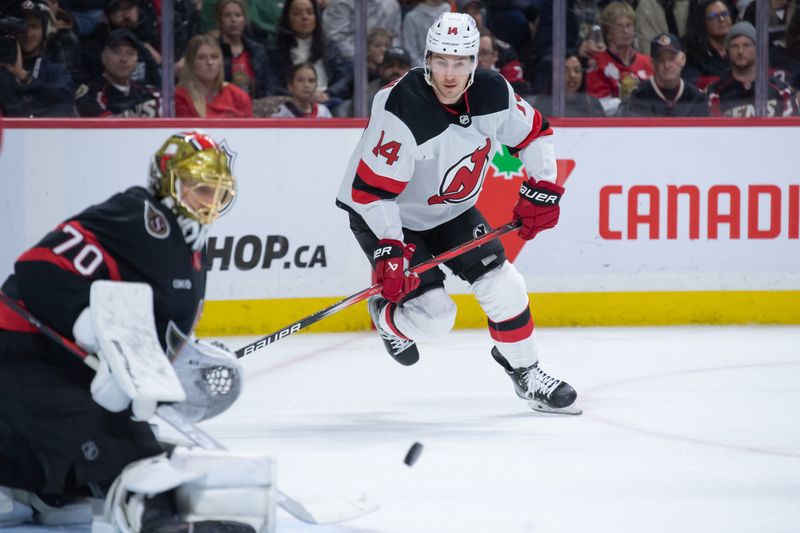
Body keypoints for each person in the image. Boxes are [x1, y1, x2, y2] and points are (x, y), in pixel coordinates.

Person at [0, 131, 261, 532]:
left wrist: (174, 364)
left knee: (110, 444)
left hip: (61, 363)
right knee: (117, 435)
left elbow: (149, 322)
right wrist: (93, 332)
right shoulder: (137, 213)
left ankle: (33, 483)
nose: (208, 201)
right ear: (167, 182)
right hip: (23, 350)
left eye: (216, 191)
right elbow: (37, 267)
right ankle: (158, 520)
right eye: (198, 188)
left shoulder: (189, 242)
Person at [334, 13, 580, 415]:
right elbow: (371, 192)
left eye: (460, 62)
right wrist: (390, 250)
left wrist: (545, 186)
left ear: (474, 62)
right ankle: (387, 319)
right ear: (427, 58)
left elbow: (534, 133)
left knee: (505, 285)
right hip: (388, 215)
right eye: (441, 61)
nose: (449, 74)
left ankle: (526, 371)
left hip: (453, 211)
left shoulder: (492, 92)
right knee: (434, 318)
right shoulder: (401, 108)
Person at [267, 0, 353, 111]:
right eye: (297, 13)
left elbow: (344, 78)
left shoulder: (329, 46)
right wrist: (297, 96)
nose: (305, 17)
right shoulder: (276, 50)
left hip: (327, 101)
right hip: (291, 103)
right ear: (288, 18)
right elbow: (272, 85)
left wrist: (328, 93)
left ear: (316, 16)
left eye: (309, 12)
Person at [0, 0, 75, 117]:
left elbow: (64, 102)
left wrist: (24, 76)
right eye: (21, 28)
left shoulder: (56, 72)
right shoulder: (2, 70)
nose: (27, 33)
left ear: (45, 31)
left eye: (34, 26)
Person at [707, 21, 799, 116]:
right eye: (734, 46)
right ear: (727, 51)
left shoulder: (782, 90)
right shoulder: (715, 92)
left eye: (746, 45)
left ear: (758, 49)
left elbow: (790, 127)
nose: (740, 51)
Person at [585, 1, 654, 115]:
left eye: (629, 25)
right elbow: (598, 107)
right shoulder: (597, 63)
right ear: (608, 33)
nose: (626, 31)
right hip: (611, 128)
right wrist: (627, 100)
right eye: (619, 26)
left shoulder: (648, 62)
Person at [75, 28, 160, 116]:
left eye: (130, 53)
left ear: (136, 60)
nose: (124, 59)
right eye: (116, 52)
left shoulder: (146, 92)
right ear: (103, 57)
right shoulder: (90, 95)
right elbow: (106, 127)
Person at [623, 32, 709, 116]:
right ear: (652, 63)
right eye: (660, 59)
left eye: (672, 58)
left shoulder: (697, 98)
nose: (667, 65)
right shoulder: (639, 96)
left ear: (683, 59)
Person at [175, 34, 253, 118]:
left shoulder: (238, 97)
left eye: (214, 57)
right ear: (191, 63)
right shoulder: (180, 96)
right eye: (202, 58)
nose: (210, 63)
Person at [216, 0, 274, 99]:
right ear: (220, 21)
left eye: (238, 15)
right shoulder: (213, 51)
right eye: (227, 15)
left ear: (245, 20)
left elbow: (268, 87)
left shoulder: (258, 51)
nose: (233, 20)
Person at [321, 0, 402, 62]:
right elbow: (335, 39)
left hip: (383, 62)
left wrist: (389, 56)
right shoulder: (340, 2)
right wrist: (366, 57)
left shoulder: (392, 4)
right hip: (347, 63)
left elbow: (395, 37)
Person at [532, 50, 606, 117]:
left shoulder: (592, 103)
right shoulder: (542, 104)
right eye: (565, 71)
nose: (572, 75)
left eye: (577, 70)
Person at [683, 0, 735, 89]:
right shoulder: (693, 56)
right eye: (713, 16)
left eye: (724, 14)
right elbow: (693, 85)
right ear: (703, 22)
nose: (721, 19)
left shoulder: (740, 48)